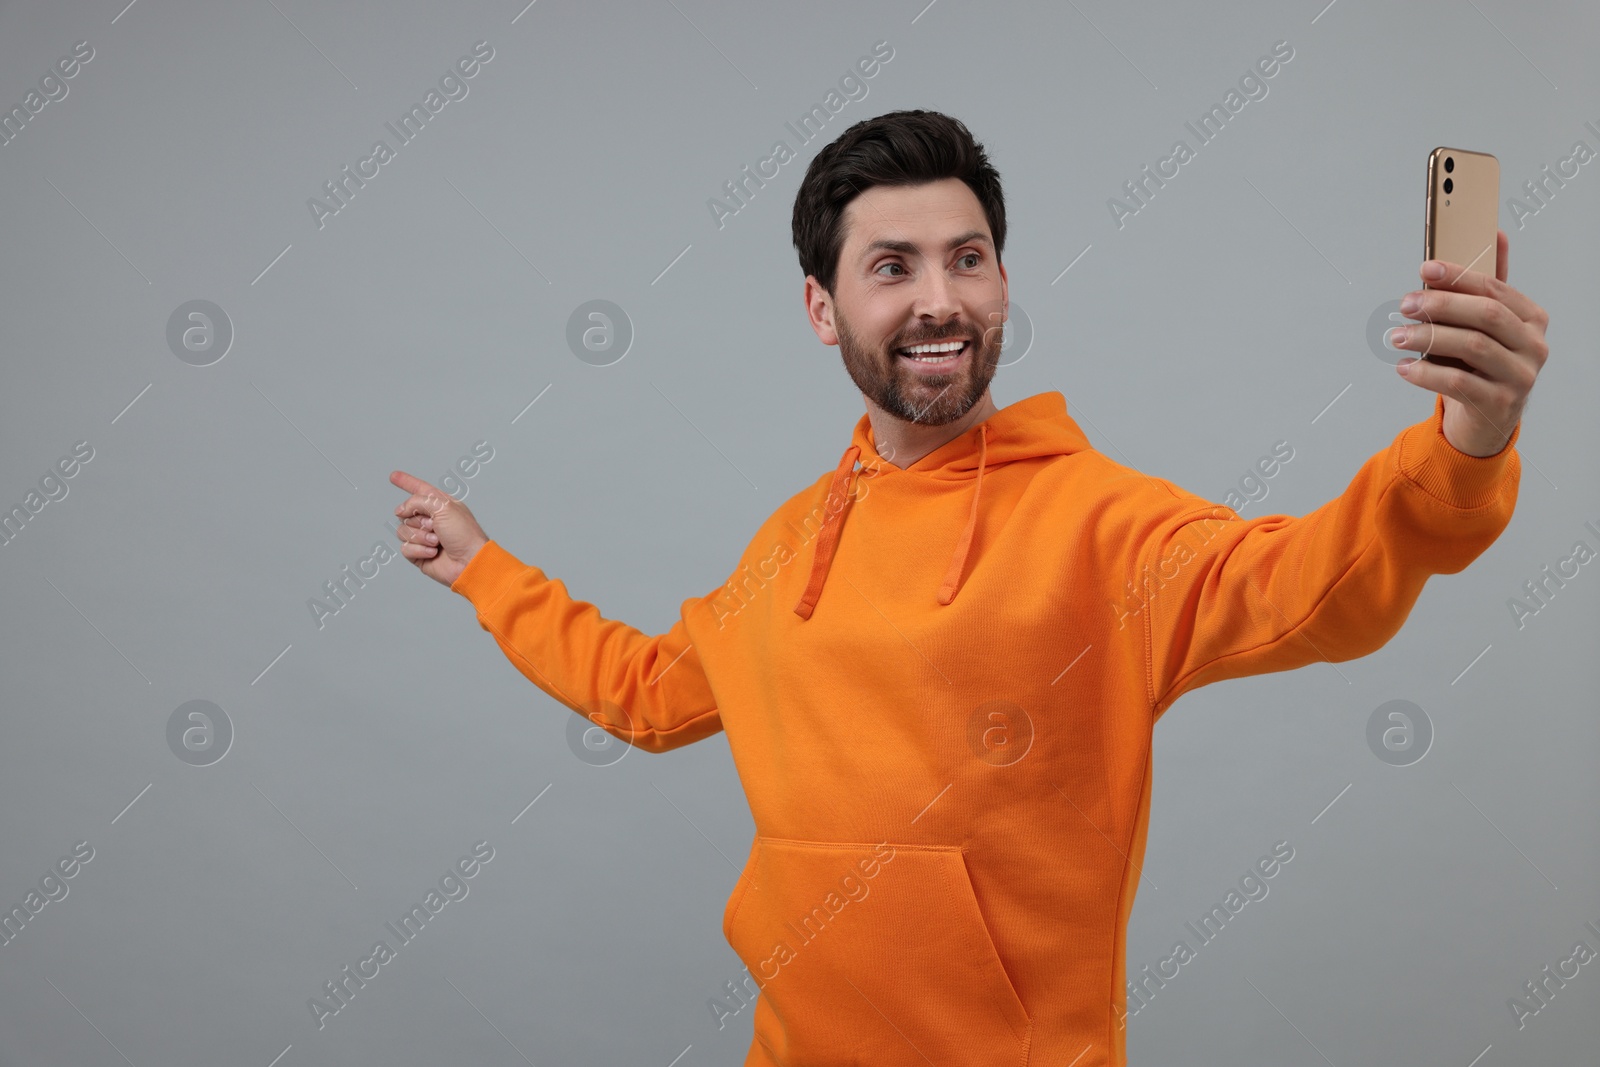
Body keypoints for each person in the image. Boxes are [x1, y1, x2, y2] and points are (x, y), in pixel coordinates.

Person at [389, 111, 1549, 1066]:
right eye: (890, 266)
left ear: (1001, 282)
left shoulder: (1102, 522)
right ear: (821, 308)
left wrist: (1465, 438)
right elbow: (644, 694)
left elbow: (1314, 585)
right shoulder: (791, 542)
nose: (938, 298)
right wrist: (483, 569)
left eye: (968, 257)